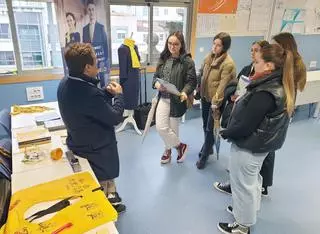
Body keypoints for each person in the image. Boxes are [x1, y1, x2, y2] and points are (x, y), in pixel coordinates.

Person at [217, 43, 295, 234]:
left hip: (250, 146)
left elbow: (245, 125)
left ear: (269, 66)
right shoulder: (275, 84)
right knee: (252, 182)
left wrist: (226, 132)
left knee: (242, 185)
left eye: (258, 60)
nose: (255, 62)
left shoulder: (266, 91)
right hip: (259, 145)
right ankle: (246, 211)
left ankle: (243, 225)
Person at [57, 43, 126, 214]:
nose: (98, 64)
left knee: (105, 179)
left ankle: (112, 196)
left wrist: (106, 93)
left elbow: (89, 102)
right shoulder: (89, 94)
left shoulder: (66, 82)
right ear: (87, 67)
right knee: (100, 182)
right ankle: (103, 208)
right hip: (96, 149)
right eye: (95, 61)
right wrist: (118, 96)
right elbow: (115, 118)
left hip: (79, 142)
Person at [214, 40, 271, 193]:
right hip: (240, 113)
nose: (253, 53)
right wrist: (233, 94)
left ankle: (253, 189)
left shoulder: (268, 81)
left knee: (249, 171)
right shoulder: (247, 69)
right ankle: (236, 183)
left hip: (252, 124)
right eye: (251, 50)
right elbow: (235, 85)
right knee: (240, 163)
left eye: (256, 50)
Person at [152, 31, 196, 164]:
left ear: (181, 45)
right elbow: (155, 78)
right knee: (161, 127)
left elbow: (191, 81)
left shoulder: (187, 61)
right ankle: (180, 146)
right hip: (163, 98)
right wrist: (157, 84)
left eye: (176, 44)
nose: (172, 46)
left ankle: (168, 150)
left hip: (177, 100)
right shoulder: (163, 58)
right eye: (170, 43)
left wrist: (185, 92)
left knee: (173, 129)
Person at [196, 32, 236, 169]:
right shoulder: (210, 56)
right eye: (214, 43)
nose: (215, 47)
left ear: (225, 47)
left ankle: (205, 154)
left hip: (215, 102)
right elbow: (202, 71)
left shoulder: (228, 63)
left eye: (218, 45)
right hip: (205, 97)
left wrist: (216, 103)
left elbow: (223, 85)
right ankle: (209, 147)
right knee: (204, 125)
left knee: (210, 128)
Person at [82, 0, 109, 87]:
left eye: (93, 9)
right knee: (92, 86)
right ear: (87, 11)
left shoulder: (101, 27)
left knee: (103, 85)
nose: (91, 12)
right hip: (90, 63)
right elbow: (84, 47)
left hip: (101, 62)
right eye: (89, 9)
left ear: (95, 10)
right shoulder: (85, 29)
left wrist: (104, 61)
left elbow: (105, 45)